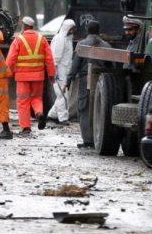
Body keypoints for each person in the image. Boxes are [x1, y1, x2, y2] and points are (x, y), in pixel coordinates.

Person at [6, 16, 56, 136]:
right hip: (38, 77)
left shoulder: (18, 40)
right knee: (36, 98)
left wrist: (8, 74)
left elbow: (10, 59)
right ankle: (39, 114)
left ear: (24, 26)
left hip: (22, 77)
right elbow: (49, 59)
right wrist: (51, 74)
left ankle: (25, 128)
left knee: (23, 102)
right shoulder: (42, 39)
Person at [65, 20, 110, 149]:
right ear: (99, 30)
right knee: (99, 109)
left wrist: (68, 80)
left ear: (87, 30)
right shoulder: (106, 46)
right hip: (102, 80)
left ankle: (87, 140)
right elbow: (111, 65)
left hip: (85, 80)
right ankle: (97, 138)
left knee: (84, 108)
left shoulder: (81, 44)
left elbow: (75, 66)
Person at [47, 18, 75, 125]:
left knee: (62, 94)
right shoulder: (59, 39)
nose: (73, 31)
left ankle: (52, 115)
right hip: (59, 72)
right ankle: (63, 118)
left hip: (65, 71)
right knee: (62, 95)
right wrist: (54, 72)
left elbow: (68, 57)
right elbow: (55, 57)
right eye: (71, 28)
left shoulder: (67, 39)